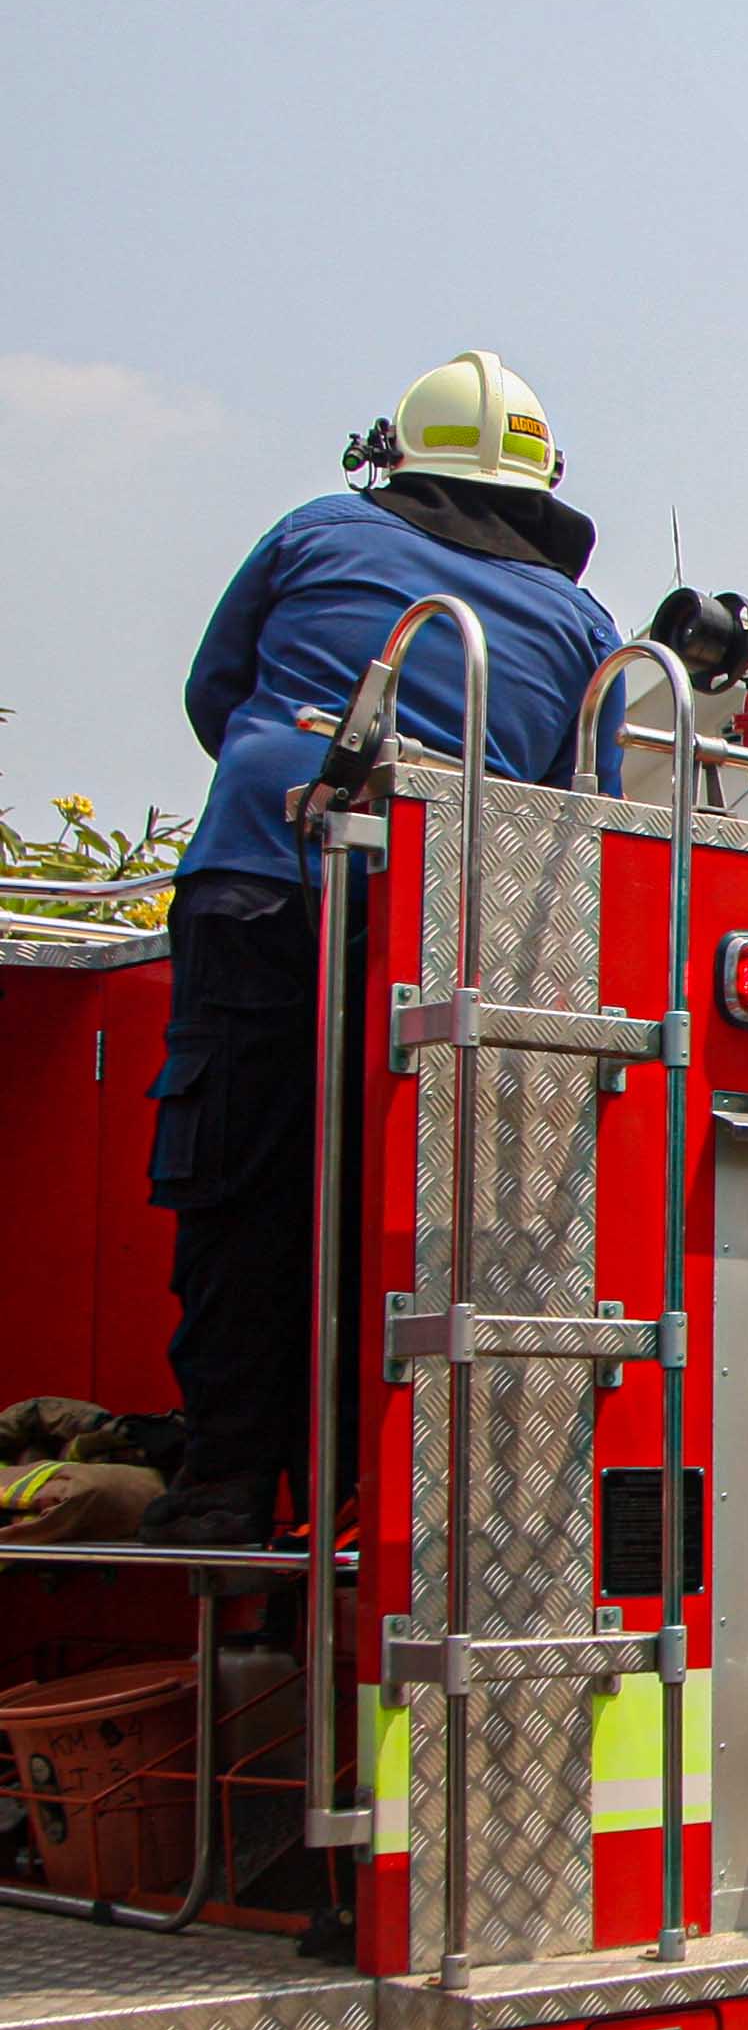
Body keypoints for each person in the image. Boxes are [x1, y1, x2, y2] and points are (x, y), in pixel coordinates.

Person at [137, 351, 627, 1545]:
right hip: (448, 934)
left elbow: (217, 699)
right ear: (542, 481)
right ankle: (388, 1508)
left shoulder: (315, 532)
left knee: (242, 1191)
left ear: (393, 457)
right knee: (422, 1223)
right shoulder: (582, 626)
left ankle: (226, 1493)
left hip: (263, 884)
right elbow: (586, 822)